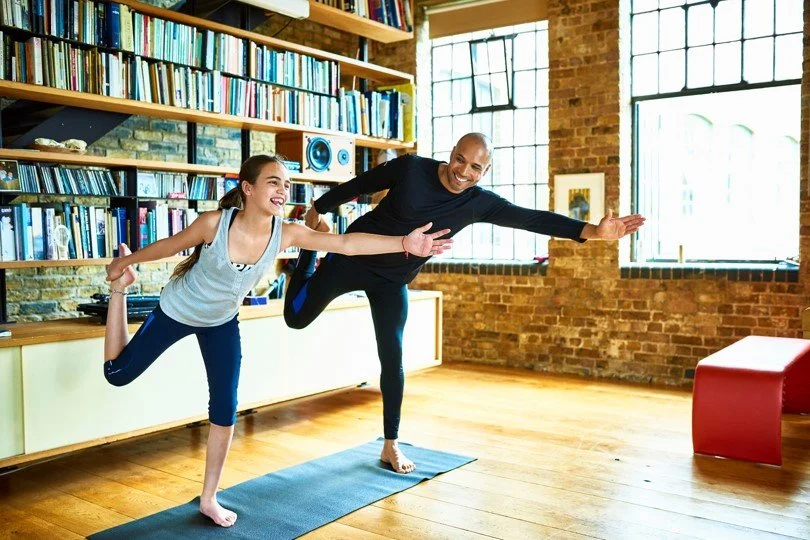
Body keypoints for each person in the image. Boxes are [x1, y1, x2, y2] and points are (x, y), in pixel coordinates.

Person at [102, 154, 453, 528]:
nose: (283, 189)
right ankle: (118, 295)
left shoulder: (286, 233)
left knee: (225, 409)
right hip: (177, 310)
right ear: (248, 188)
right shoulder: (213, 224)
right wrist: (124, 266)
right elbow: (171, 246)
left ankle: (209, 498)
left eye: (286, 184)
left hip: (220, 323)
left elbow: (347, 243)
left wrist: (404, 243)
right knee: (118, 374)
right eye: (273, 181)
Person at [285, 132, 646, 474]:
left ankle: (390, 443)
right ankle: (307, 254)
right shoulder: (411, 169)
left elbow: (531, 219)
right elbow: (358, 186)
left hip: (393, 280)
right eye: (460, 160)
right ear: (451, 154)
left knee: (393, 356)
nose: (463, 172)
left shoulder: (477, 203)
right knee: (296, 319)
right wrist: (316, 212)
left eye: (475, 167)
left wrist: (592, 232)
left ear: (485, 171)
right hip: (352, 255)